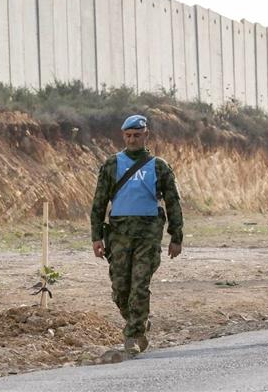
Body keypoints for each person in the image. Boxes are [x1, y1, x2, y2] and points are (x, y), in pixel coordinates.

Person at [90, 114, 183, 355]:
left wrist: (176, 236)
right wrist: (96, 236)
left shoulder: (158, 166)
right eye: (128, 136)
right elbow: (99, 203)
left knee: (140, 285)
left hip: (148, 234)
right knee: (121, 288)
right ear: (123, 136)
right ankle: (138, 321)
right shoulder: (112, 164)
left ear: (146, 135)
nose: (132, 140)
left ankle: (132, 335)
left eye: (137, 135)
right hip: (119, 234)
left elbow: (173, 202)